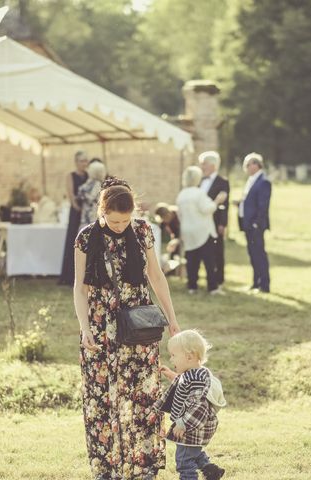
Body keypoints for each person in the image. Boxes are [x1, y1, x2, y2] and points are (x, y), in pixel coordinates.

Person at [73, 177, 181, 480]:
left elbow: (157, 278)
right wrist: (85, 328)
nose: (120, 225)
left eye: (126, 219)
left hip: (138, 327)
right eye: (114, 220)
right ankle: (105, 469)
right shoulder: (86, 238)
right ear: (102, 211)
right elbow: (80, 289)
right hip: (100, 327)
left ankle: (143, 466)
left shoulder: (143, 231)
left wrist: (171, 316)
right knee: (101, 399)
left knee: (143, 396)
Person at [151, 330, 226, 480]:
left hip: (191, 427)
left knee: (184, 461)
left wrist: (183, 423)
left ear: (189, 356)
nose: (171, 359)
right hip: (195, 427)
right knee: (194, 453)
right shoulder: (197, 373)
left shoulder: (197, 380)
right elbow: (185, 383)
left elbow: (199, 406)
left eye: (173, 355)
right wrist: (172, 375)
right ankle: (211, 471)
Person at [176, 166, 228, 295]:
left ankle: (192, 286)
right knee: (209, 259)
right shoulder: (198, 193)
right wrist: (217, 200)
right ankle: (213, 287)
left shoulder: (181, 194)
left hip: (188, 230)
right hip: (202, 230)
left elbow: (179, 215)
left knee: (191, 259)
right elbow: (207, 209)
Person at [234, 152, 271, 293]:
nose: (246, 167)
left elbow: (263, 207)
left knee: (259, 254)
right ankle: (255, 283)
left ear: (256, 164)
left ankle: (264, 285)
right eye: (245, 164)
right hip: (247, 224)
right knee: (252, 253)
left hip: (256, 225)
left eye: (248, 164)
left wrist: (256, 224)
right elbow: (251, 201)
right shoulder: (251, 180)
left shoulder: (263, 182)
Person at [199, 151, 230, 286]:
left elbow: (224, 204)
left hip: (216, 221)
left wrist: (223, 223)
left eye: (204, 164)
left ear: (212, 165)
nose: (202, 167)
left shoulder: (223, 182)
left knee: (218, 250)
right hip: (201, 221)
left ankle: (219, 279)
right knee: (203, 250)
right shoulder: (199, 180)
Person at [58, 150, 89, 285]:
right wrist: (78, 208)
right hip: (76, 212)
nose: (84, 163)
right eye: (82, 161)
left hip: (87, 213)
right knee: (73, 240)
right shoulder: (70, 176)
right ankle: (68, 276)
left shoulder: (89, 176)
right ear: (76, 162)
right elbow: (71, 195)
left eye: (85, 161)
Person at [77, 159, 106, 228]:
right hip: (89, 214)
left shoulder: (95, 184)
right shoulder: (93, 183)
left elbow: (87, 196)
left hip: (90, 215)